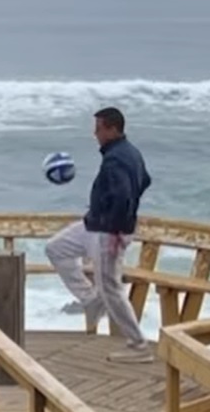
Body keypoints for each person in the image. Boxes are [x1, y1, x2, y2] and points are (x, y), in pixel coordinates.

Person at [45, 106, 153, 363]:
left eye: (99, 128)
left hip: (109, 232)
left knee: (111, 289)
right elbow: (145, 180)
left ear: (113, 129)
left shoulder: (117, 158)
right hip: (95, 225)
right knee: (56, 248)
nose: (95, 134)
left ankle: (139, 345)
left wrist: (116, 227)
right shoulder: (128, 153)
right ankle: (90, 299)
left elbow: (124, 195)